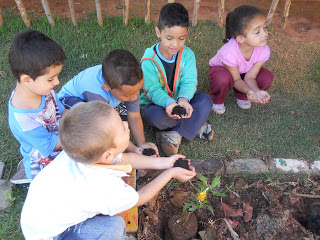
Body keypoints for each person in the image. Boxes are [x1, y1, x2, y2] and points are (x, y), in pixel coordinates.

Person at [20, 101, 196, 240]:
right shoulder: (103, 188)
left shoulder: (82, 152)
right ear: (107, 155)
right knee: (114, 226)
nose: (127, 126)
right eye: (122, 128)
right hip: (50, 235)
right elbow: (140, 198)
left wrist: (167, 163)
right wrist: (171, 173)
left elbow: (125, 158)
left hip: (43, 217)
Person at [140, 2, 214, 156]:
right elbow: (152, 90)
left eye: (181, 38)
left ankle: (173, 135)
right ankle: (195, 124)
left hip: (182, 101)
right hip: (158, 105)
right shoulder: (148, 60)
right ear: (158, 32)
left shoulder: (188, 55)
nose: (175, 44)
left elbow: (189, 81)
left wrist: (183, 100)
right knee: (151, 115)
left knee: (206, 100)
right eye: (169, 38)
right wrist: (169, 104)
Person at [58, 49, 158, 155]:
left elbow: (134, 116)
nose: (134, 97)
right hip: (71, 101)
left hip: (102, 103)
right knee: (95, 129)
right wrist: (133, 149)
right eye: (128, 95)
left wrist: (141, 143)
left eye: (137, 91)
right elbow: (108, 126)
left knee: (123, 124)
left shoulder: (130, 85)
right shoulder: (96, 92)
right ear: (107, 87)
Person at [8, 30, 67, 185]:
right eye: (51, 79)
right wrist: (82, 135)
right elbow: (51, 146)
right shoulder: (23, 118)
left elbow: (62, 111)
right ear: (27, 80)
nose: (57, 82)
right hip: (45, 162)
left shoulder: (42, 89)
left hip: (60, 140)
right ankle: (28, 178)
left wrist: (82, 119)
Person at [209, 5, 274, 114]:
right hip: (224, 71)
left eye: (264, 27)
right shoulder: (229, 53)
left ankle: (242, 96)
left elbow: (250, 77)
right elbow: (237, 80)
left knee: (266, 77)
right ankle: (217, 100)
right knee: (222, 78)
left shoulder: (264, 50)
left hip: (244, 72)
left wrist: (255, 91)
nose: (265, 33)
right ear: (241, 38)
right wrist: (248, 89)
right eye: (257, 32)